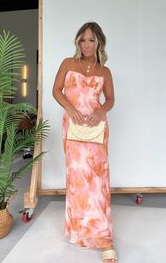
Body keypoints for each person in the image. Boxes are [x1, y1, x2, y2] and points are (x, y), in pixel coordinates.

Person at [52, 22, 117, 263]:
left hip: (96, 128)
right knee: (78, 178)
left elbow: (110, 99)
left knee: (98, 179)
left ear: (99, 42)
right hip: (73, 126)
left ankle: (104, 238)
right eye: (82, 40)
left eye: (91, 40)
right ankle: (79, 231)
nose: (86, 45)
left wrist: (101, 112)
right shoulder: (68, 64)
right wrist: (71, 110)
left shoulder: (105, 71)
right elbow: (56, 90)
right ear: (78, 42)